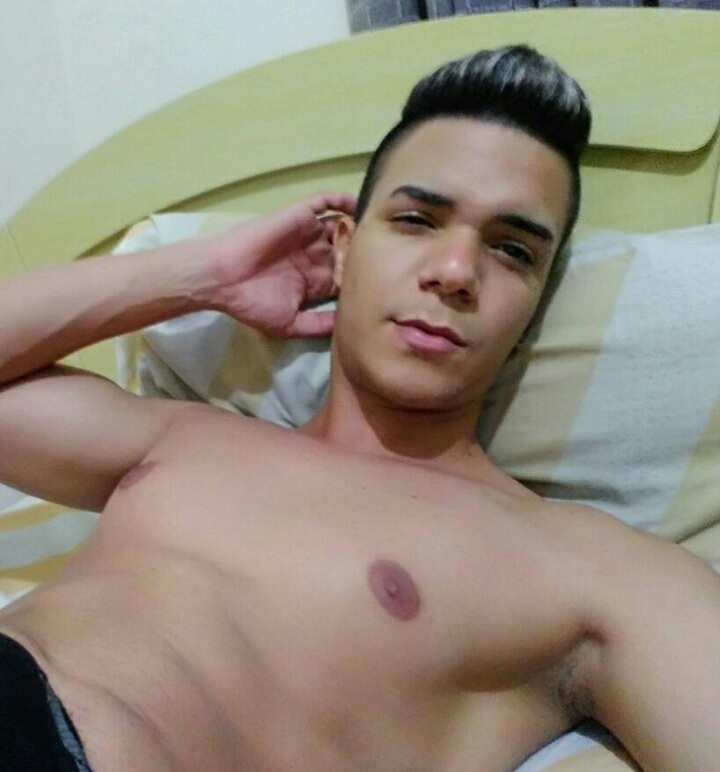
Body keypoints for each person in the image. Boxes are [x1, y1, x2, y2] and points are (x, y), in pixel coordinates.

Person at [0, 44, 718, 772]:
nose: (455, 272)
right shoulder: (177, 435)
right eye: (417, 220)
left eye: (512, 252)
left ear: (537, 299)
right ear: (342, 248)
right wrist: (199, 274)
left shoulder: (588, 566)